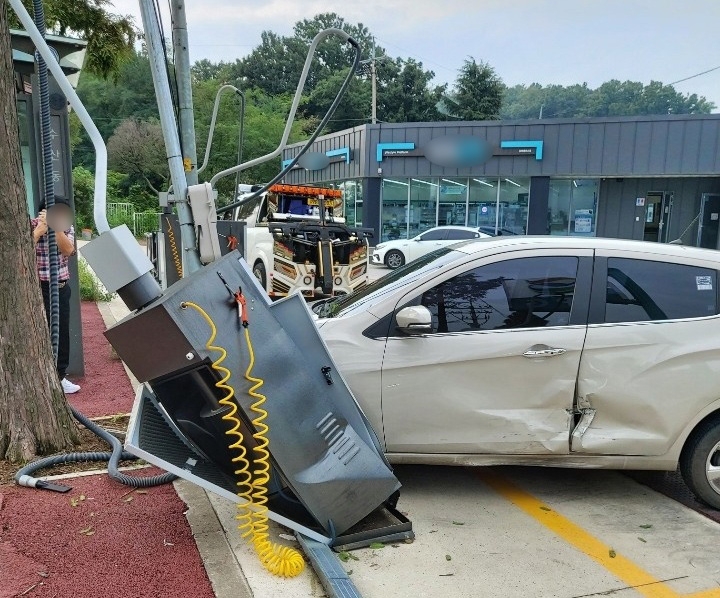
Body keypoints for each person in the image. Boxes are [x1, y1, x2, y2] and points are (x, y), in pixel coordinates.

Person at [31, 199, 81, 394]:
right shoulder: (32, 226)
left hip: (60, 287)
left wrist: (56, 228)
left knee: (61, 333)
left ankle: (60, 376)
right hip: (38, 288)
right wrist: (39, 231)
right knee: (38, 332)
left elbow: (68, 250)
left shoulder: (65, 227)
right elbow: (21, 250)